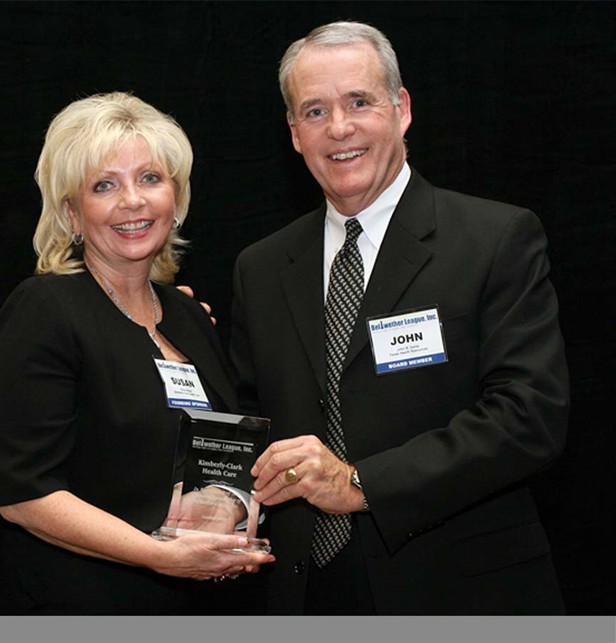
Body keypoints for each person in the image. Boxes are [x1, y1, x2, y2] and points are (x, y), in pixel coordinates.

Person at [231, 21, 568, 614]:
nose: (339, 128)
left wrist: (361, 484)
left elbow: (528, 417)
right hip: (302, 589)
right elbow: (250, 420)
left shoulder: (495, 239)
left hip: (458, 587)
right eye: (314, 111)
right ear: (293, 133)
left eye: (358, 101)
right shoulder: (259, 269)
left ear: (401, 108)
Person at [0, 92, 274, 614]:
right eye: (104, 186)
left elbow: (227, 443)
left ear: (175, 199)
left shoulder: (186, 316)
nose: (133, 201)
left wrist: (225, 504)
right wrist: (159, 555)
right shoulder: (45, 310)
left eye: (150, 179)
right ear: (71, 212)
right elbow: (22, 494)